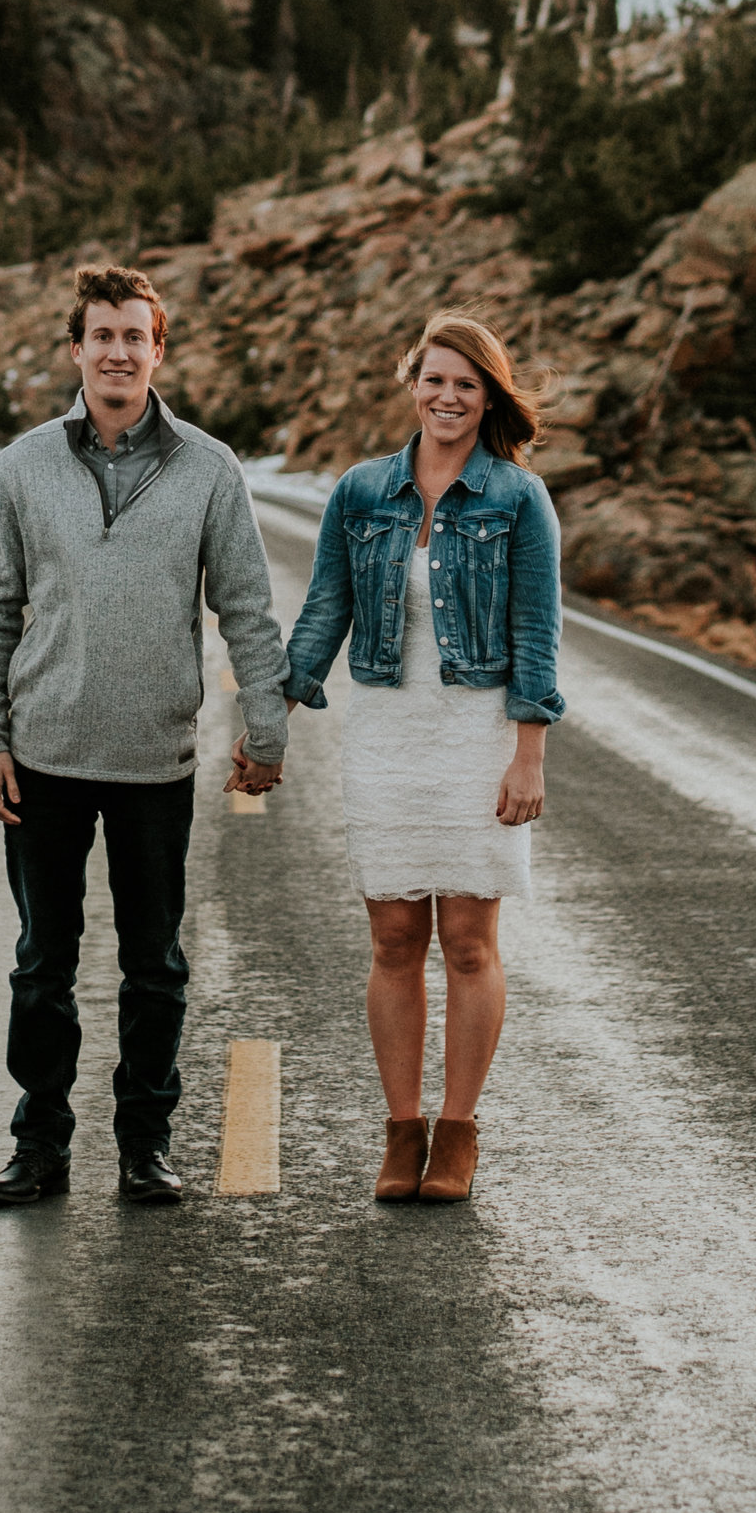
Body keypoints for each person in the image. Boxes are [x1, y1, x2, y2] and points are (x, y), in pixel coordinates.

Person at [0, 261, 290, 1208]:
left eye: (134, 335)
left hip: (155, 760)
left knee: (155, 965)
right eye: (100, 334)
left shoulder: (209, 469)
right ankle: (40, 1145)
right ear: (76, 349)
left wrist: (263, 728)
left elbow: (246, 609)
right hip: (44, 759)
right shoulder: (23, 466)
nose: (117, 350)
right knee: (43, 964)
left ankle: (146, 1141)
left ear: (158, 350)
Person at [282, 312, 562, 1206]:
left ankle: (458, 1132)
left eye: (466, 385)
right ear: (413, 381)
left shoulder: (518, 499)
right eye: (435, 378)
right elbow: (323, 613)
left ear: (489, 399)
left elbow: (536, 635)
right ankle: (401, 1130)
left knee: (470, 943)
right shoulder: (362, 492)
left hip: (476, 736)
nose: (448, 397)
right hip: (386, 736)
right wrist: (268, 717)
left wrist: (528, 755)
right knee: (394, 937)